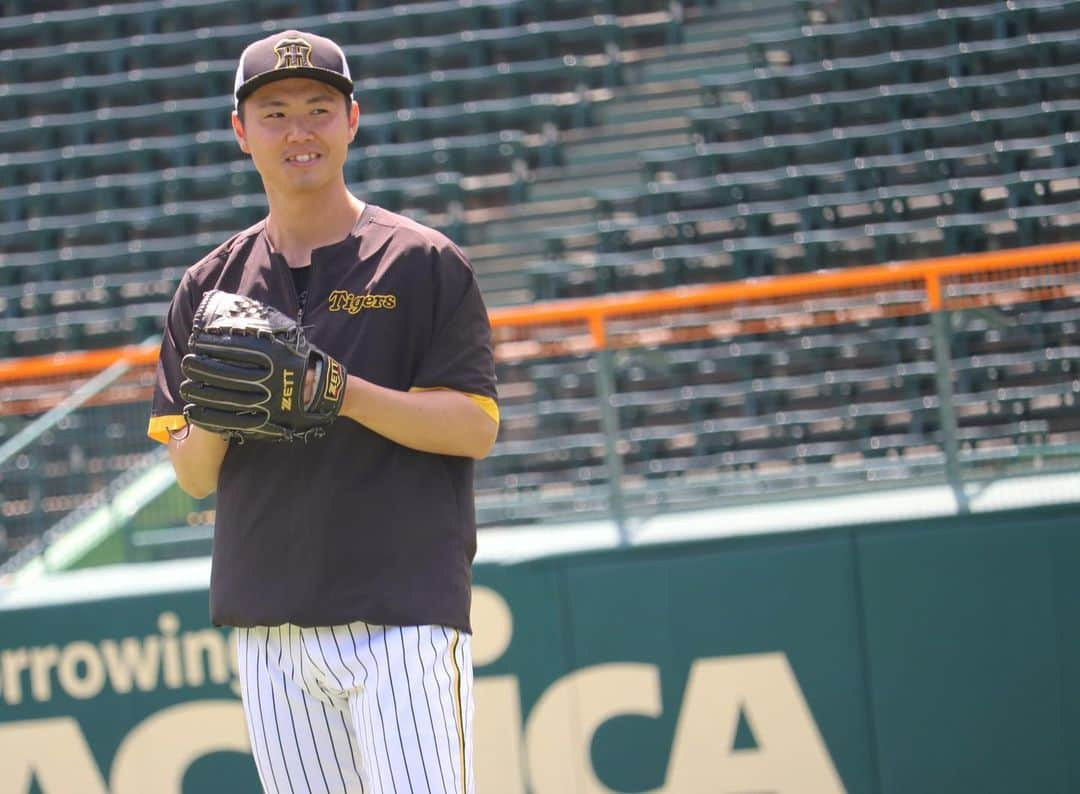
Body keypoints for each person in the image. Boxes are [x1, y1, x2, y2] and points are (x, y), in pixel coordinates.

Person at [148, 29, 498, 794]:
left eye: (318, 108)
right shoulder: (207, 288)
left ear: (352, 120)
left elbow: (475, 425)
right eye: (273, 113)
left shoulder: (422, 262)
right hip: (271, 631)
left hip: (401, 619)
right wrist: (220, 404)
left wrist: (333, 390)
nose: (298, 131)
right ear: (241, 132)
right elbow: (195, 477)